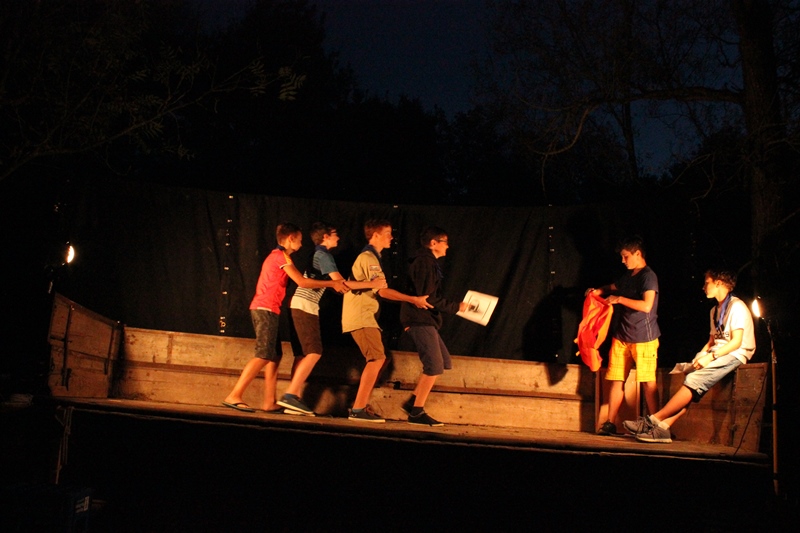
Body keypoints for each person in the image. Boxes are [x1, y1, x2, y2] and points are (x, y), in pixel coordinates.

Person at [222, 223, 347, 413]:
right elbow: (302, 282)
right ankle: (235, 395)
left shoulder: (279, 256)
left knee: (274, 356)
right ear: (290, 238)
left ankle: (269, 401)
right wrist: (332, 283)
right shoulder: (280, 256)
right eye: (299, 240)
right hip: (265, 308)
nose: (301, 244)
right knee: (264, 354)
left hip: (271, 309)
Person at [624, 268, 756, 443]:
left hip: (735, 353)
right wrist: (700, 355)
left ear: (718, 283)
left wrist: (710, 357)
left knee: (694, 380)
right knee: (692, 378)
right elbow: (712, 341)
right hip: (718, 352)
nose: (703, 287)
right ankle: (664, 428)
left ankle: (653, 421)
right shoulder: (714, 311)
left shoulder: (736, 306)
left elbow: (736, 342)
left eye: (707, 282)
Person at [278, 222, 386, 416]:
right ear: (326, 237)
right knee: (314, 352)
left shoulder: (320, 255)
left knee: (304, 354)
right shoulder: (323, 255)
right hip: (305, 306)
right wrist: (372, 283)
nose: (338, 238)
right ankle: (291, 395)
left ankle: (293, 399)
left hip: (305, 305)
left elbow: (338, 286)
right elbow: (340, 283)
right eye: (335, 234)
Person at [341, 219, 432, 423]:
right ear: (375, 235)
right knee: (377, 359)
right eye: (387, 233)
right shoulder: (368, 258)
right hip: (362, 317)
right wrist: (413, 299)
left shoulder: (373, 257)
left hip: (366, 316)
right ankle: (357, 409)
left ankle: (360, 405)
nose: (391, 237)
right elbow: (382, 291)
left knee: (381, 360)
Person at [589, 236, 661, 435]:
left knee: (648, 382)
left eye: (626, 256)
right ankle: (610, 423)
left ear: (638, 253)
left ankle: (657, 425)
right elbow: (613, 287)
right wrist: (598, 291)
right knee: (616, 379)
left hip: (644, 338)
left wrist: (619, 299)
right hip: (622, 336)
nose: (623, 260)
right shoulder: (629, 275)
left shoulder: (648, 276)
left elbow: (646, 306)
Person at [399, 226, 468, 426]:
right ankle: (416, 413)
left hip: (426, 319)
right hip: (418, 319)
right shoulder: (424, 262)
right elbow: (426, 297)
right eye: (444, 242)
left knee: (443, 361)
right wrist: (456, 307)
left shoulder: (429, 262)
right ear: (433, 243)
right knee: (434, 365)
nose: (448, 246)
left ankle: (412, 402)